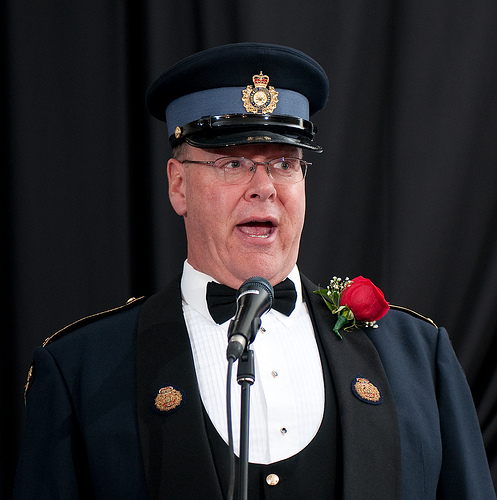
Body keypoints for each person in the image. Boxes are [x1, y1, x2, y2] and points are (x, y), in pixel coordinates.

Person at [13, 43, 495, 499]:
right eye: (233, 163)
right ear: (179, 186)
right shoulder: (81, 371)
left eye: (284, 163)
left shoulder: (418, 358)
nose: (263, 187)